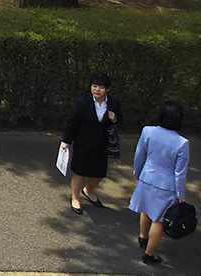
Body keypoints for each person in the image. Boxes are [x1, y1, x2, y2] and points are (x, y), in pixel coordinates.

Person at [129, 101, 189, 265]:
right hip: (166, 185)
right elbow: (180, 173)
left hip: (147, 177)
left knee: (145, 209)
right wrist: (180, 195)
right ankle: (149, 254)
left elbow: (139, 154)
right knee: (159, 220)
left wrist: (137, 172)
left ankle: (143, 237)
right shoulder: (182, 143)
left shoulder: (148, 131)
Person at [62, 73, 120, 214]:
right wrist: (66, 140)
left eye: (101, 87)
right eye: (94, 86)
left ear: (107, 89)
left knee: (98, 173)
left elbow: (120, 120)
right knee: (80, 172)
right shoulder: (83, 101)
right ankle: (75, 197)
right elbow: (73, 121)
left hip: (101, 143)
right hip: (83, 142)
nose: (97, 90)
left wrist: (114, 118)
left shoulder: (112, 103)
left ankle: (88, 190)